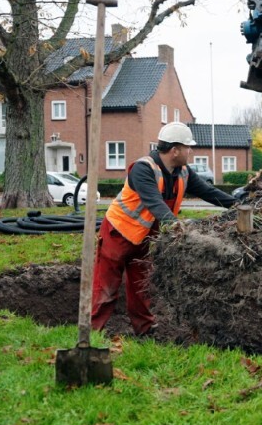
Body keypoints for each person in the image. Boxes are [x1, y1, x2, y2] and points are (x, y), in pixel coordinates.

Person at [91, 121, 238, 336]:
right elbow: (153, 201)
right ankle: (93, 332)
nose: (191, 151)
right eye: (188, 147)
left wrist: (239, 204)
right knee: (106, 285)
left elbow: (208, 192)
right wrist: (173, 225)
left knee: (141, 286)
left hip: (145, 239)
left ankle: (145, 330)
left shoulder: (184, 172)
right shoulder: (143, 169)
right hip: (118, 234)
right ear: (175, 150)